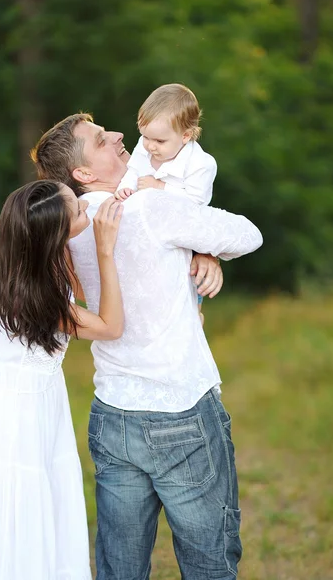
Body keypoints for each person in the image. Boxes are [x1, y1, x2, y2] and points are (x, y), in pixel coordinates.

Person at [32, 113, 263, 580]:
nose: (120, 136)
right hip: (180, 410)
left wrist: (197, 250)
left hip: (111, 413)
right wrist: (206, 247)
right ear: (83, 173)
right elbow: (247, 234)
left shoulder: (67, 232)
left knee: (120, 567)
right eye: (102, 139)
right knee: (209, 564)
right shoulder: (150, 208)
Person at [0, 180, 124, 580]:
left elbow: (78, 285)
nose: (85, 207)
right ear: (56, 236)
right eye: (78, 212)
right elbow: (110, 326)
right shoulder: (40, 299)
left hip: (34, 402)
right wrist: (104, 250)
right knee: (22, 502)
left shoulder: (29, 264)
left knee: (45, 496)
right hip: (20, 416)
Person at [114, 83, 216, 323]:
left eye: (159, 141)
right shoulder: (146, 146)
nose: (150, 146)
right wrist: (124, 189)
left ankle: (193, 317)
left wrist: (160, 188)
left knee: (185, 285)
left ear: (185, 136)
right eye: (145, 136)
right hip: (152, 235)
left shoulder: (201, 164)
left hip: (185, 238)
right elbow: (133, 171)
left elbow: (195, 204)